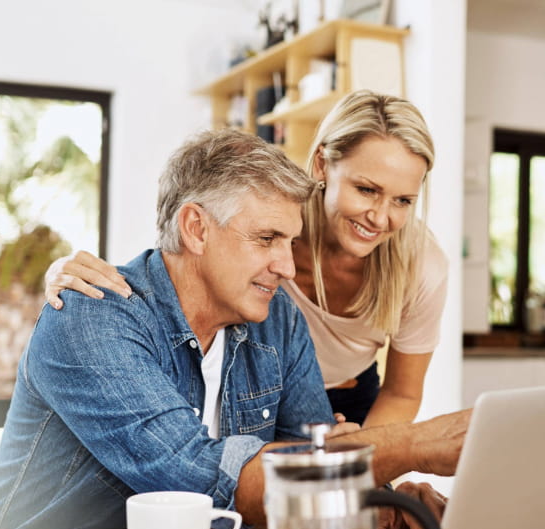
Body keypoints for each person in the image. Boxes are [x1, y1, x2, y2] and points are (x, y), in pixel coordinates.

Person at [0, 130, 468, 529]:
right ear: (196, 228)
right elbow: (200, 479)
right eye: (266, 239)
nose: (288, 267)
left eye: (290, 242)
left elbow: (312, 454)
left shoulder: (279, 322)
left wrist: (379, 500)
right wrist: (412, 446)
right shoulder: (92, 317)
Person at [44, 90, 447, 428]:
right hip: (252, 380)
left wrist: (367, 461)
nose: (380, 217)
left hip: (349, 398)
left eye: (403, 201)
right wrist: (68, 277)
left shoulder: (421, 267)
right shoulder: (275, 211)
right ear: (323, 164)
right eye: (366, 189)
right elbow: (180, 260)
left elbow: (403, 391)